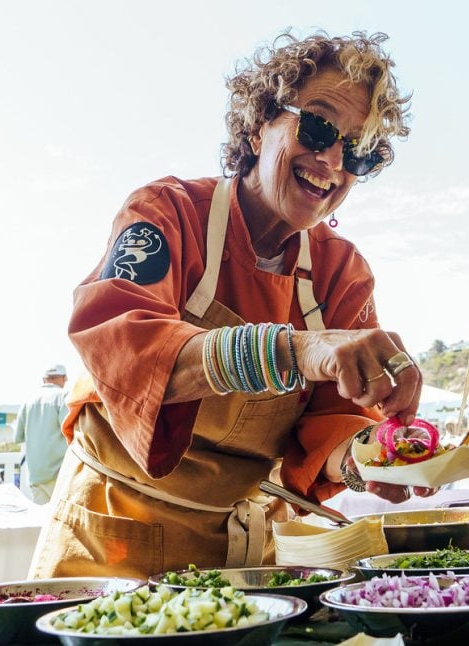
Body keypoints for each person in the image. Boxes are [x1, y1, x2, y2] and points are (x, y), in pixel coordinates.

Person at [30, 31, 428, 580]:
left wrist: (374, 456)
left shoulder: (342, 272)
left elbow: (332, 429)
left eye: (360, 151)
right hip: (112, 542)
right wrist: (298, 351)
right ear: (261, 120)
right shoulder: (167, 213)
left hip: (249, 559)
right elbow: (124, 344)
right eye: (317, 126)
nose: (333, 159)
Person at [13, 364, 71, 504]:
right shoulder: (64, 396)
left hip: (35, 473)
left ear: (44, 379)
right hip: (60, 472)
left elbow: (17, 437)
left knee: (42, 521)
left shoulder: (28, 400)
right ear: (63, 378)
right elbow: (70, 431)